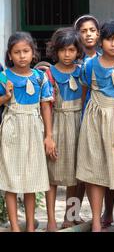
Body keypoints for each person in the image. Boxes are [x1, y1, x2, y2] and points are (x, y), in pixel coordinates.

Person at [77, 20, 114, 232]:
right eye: (109, 40)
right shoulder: (90, 65)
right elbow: (85, 94)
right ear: (101, 42)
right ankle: (95, 222)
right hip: (94, 120)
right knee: (95, 171)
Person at [0, 32, 55, 232]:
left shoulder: (40, 77)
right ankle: (15, 227)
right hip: (12, 128)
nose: (22, 56)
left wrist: (49, 136)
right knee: (11, 179)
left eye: (26, 51)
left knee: (31, 180)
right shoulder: (4, 76)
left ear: (33, 53)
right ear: (10, 55)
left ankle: (30, 226)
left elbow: (46, 106)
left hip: (34, 128)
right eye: (17, 52)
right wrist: (5, 97)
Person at [45, 28, 85, 231]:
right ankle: (52, 220)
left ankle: (71, 216)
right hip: (57, 123)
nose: (67, 54)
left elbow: (86, 100)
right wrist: (48, 136)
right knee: (52, 175)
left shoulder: (83, 71)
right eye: (62, 50)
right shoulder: (48, 74)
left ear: (78, 51)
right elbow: (46, 106)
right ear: (55, 51)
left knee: (76, 176)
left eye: (71, 50)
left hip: (79, 124)